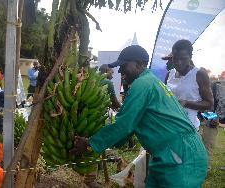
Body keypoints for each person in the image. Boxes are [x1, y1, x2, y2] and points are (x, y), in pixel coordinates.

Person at [70, 45, 208, 188]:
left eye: (123, 66)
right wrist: (107, 141)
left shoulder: (142, 84)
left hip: (180, 153)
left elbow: (124, 125)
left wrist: (91, 144)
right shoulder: (149, 81)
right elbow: (127, 129)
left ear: (140, 64)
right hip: (167, 152)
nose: (120, 70)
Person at [164, 40, 213, 131]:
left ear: (190, 57)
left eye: (183, 58)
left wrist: (186, 103)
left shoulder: (199, 74)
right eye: (176, 58)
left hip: (188, 128)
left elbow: (209, 103)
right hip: (169, 126)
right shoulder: (169, 74)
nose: (179, 62)